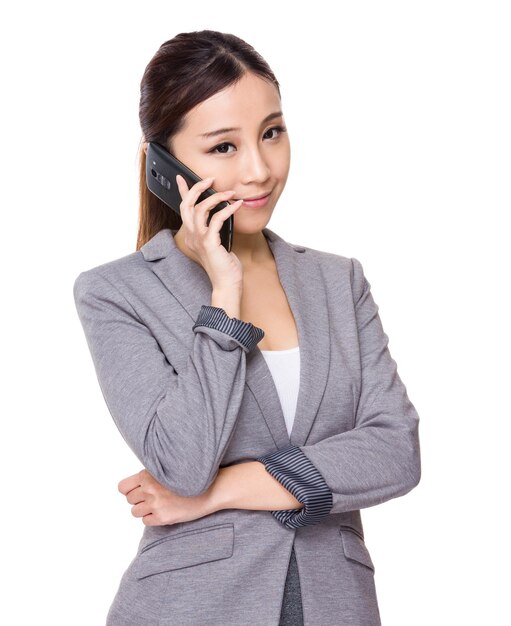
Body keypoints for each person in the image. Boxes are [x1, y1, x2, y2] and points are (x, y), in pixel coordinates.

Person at [73, 30, 421, 626]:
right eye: (223, 148)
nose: (260, 170)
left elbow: (396, 451)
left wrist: (217, 493)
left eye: (272, 133)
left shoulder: (340, 281)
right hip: (191, 606)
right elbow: (182, 461)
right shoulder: (116, 292)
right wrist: (224, 296)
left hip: (334, 602)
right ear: (166, 164)